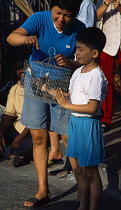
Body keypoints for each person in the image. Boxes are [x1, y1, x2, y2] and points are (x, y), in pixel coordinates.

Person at [6, 0, 85, 208]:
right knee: (38, 137)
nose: (61, 20)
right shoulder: (39, 18)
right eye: (57, 13)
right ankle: (43, 190)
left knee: (69, 137)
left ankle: (83, 192)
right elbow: (11, 37)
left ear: (75, 14)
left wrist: (70, 63)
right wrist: (26, 38)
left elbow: (85, 61)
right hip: (36, 82)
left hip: (63, 86)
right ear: (51, 9)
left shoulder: (80, 28)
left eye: (67, 15)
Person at [54, 27, 107, 210]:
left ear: (94, 53)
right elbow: (71, 96)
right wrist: (52, 92)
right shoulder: (78, 72)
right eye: (76, 48)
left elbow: (92, 107)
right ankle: (82, 205)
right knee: (80, 171)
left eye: (81, 49)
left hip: (88, 125)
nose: (76, 52)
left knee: (91, 172)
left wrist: (66, 105)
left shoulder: (97, 77)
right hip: (75, 123)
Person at [96, 0, 121, 131]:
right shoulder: (101, 1)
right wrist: (106, 4)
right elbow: (95, 17)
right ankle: (106, 118)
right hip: (107, 44)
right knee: (106, 82)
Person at [0, 60, 33, 167]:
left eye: (24, 68)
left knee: (30, 143)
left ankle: (17, 156)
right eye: (18, 69)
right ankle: (16, 155)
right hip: (17, 127)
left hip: (30, 129)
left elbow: (36, 119)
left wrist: (21, 137)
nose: (22, 71)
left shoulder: (37, 87)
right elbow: (9, 115)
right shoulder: (15, 88)